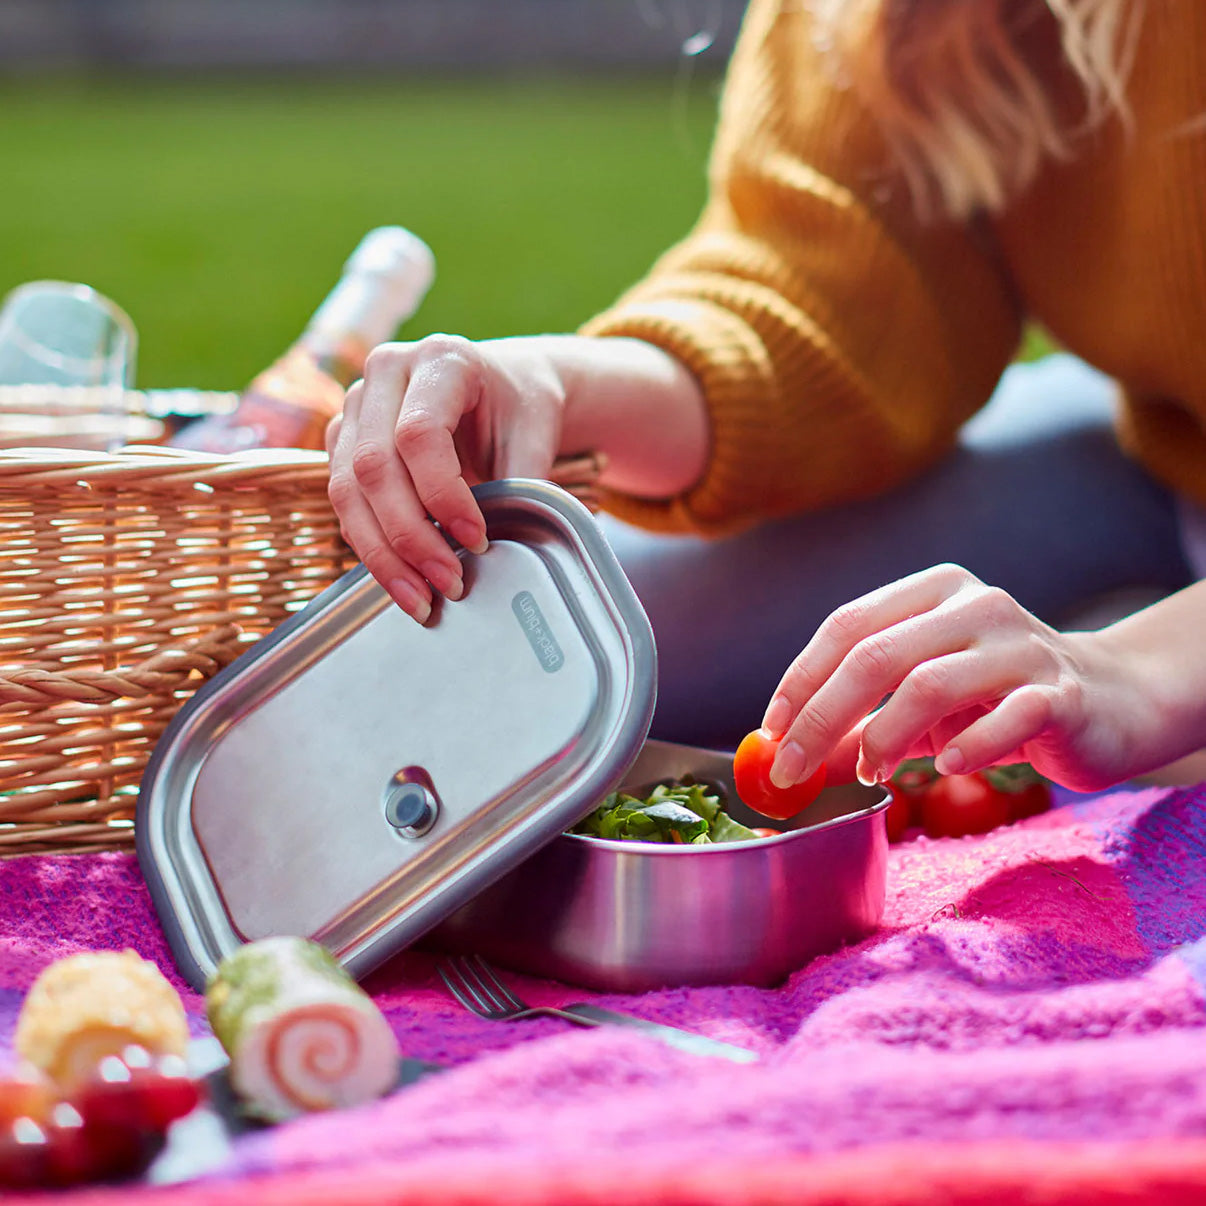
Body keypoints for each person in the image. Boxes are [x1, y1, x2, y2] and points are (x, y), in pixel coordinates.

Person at [325, 0, 1206, 793]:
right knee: (523, 649)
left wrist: (1133, 673)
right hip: (1164, 460)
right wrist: (559, 381)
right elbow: (830, 287)